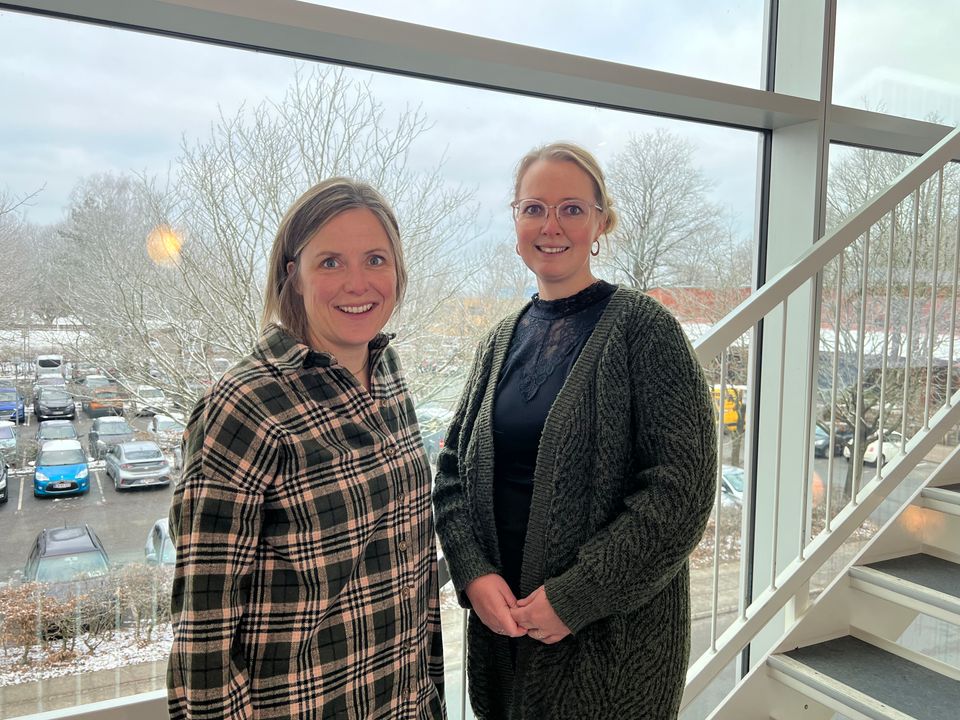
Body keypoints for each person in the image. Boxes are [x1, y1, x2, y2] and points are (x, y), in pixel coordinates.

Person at [433, 142, 716, 719]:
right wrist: (473, 572)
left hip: (609, 657)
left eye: (572, 209)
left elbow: (682, 491)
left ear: (600, 223)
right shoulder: (498, 340)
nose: (551, 225)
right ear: (515, 221)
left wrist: (576, 596)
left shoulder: (646, 330)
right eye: (534, 208)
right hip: (502, 640)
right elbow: (452, 471)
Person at [168, 178, 445, 719]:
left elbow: (408, 572)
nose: (358, 283)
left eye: (375, 259)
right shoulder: (245, 404)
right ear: (293, 276)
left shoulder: (387, 372)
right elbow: (204, 630)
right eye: (330, 262)